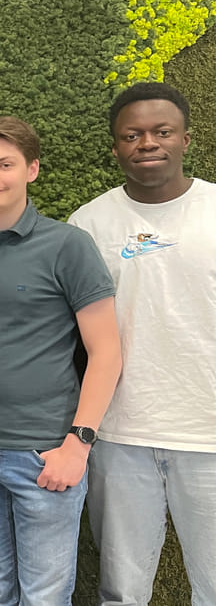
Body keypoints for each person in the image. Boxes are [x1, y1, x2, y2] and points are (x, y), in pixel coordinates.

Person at [0, 116, 122, 605]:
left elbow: (106, 350)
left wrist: (78, 445)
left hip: (45, 453)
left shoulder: (68, 245)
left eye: (5, 164)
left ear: (32, 170)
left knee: (45, 596)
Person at [68, 82, 216, 605]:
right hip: (118, 435)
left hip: (208, 435)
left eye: (162, 131)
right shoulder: (87, 225)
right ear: (115, 148)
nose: (147, 143)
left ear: (186, 139)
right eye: (132, 135)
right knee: (122, 592)